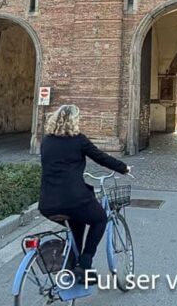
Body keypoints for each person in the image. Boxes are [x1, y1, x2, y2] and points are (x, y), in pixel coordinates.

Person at [39, 104, 130, 283]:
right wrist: (123, 168)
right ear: (74, 121)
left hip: (47, 203)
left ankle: (72, 267)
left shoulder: (46, 141)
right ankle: (86, 262)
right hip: (73, 198)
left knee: (77, 224)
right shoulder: (78, 140)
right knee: (100, 219)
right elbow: (100, 157)